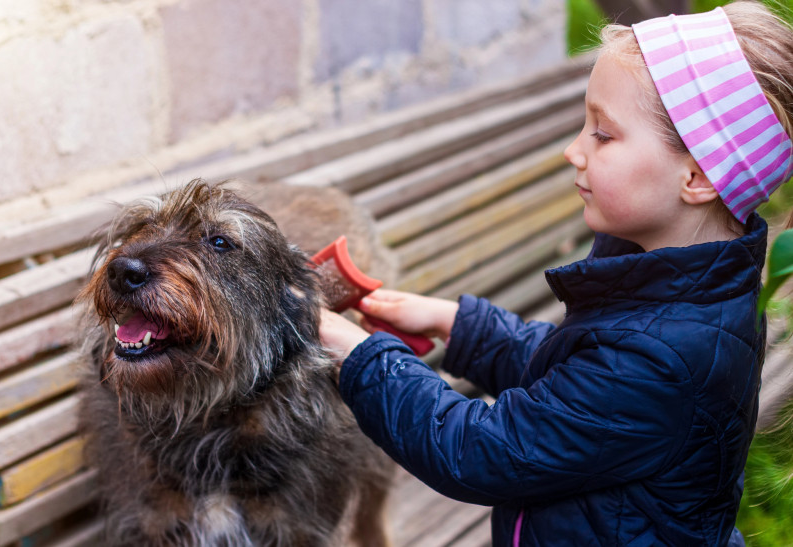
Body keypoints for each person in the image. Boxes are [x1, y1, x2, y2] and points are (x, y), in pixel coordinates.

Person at [319, 1, 793, 545]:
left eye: (603, 134)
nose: (574, 151)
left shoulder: (663, 357)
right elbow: (575, 381)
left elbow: (477, 451)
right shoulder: (686, 283)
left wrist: (361, 357)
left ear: (696, 176)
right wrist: (460, 324)